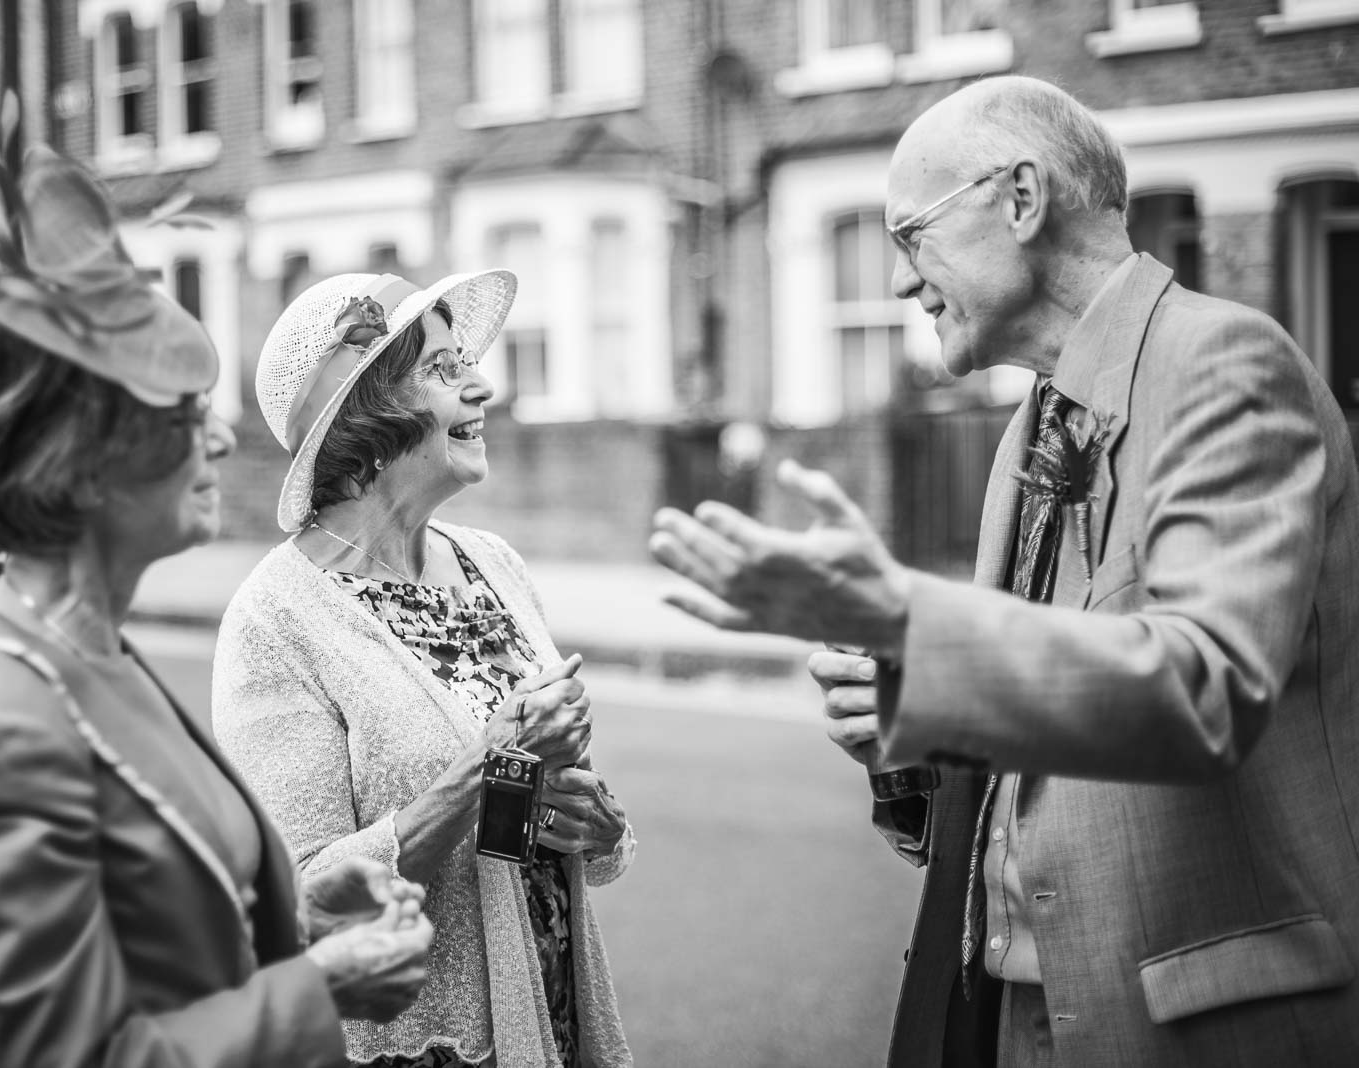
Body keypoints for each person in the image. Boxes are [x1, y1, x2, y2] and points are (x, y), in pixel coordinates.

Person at [648, 74, 1359, 1066]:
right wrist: (908, 719)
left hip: (1193, 1026)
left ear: (1019, 200)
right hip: (1013, 1017)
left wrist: (912, 622)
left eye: (910, 235)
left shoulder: (1224, 363)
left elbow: (1205, 686)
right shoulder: (1028, 422)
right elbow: (1041, 746)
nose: (900, 281)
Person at [0, 131, 435, 1067]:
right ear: (81, 459)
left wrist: (299, 916)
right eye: (184, 411)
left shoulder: (87, 656)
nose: (225, 441)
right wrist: (319, 991)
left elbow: (149, 924)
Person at [212, 270, 635, 1068]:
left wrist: (601, 828)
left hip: (555, 1022)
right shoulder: (274, 620)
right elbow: (298, 900)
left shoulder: (493, 563)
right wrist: (487, 769)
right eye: (444, 370)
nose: (483, 385)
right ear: (364, 419)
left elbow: (560, 810)